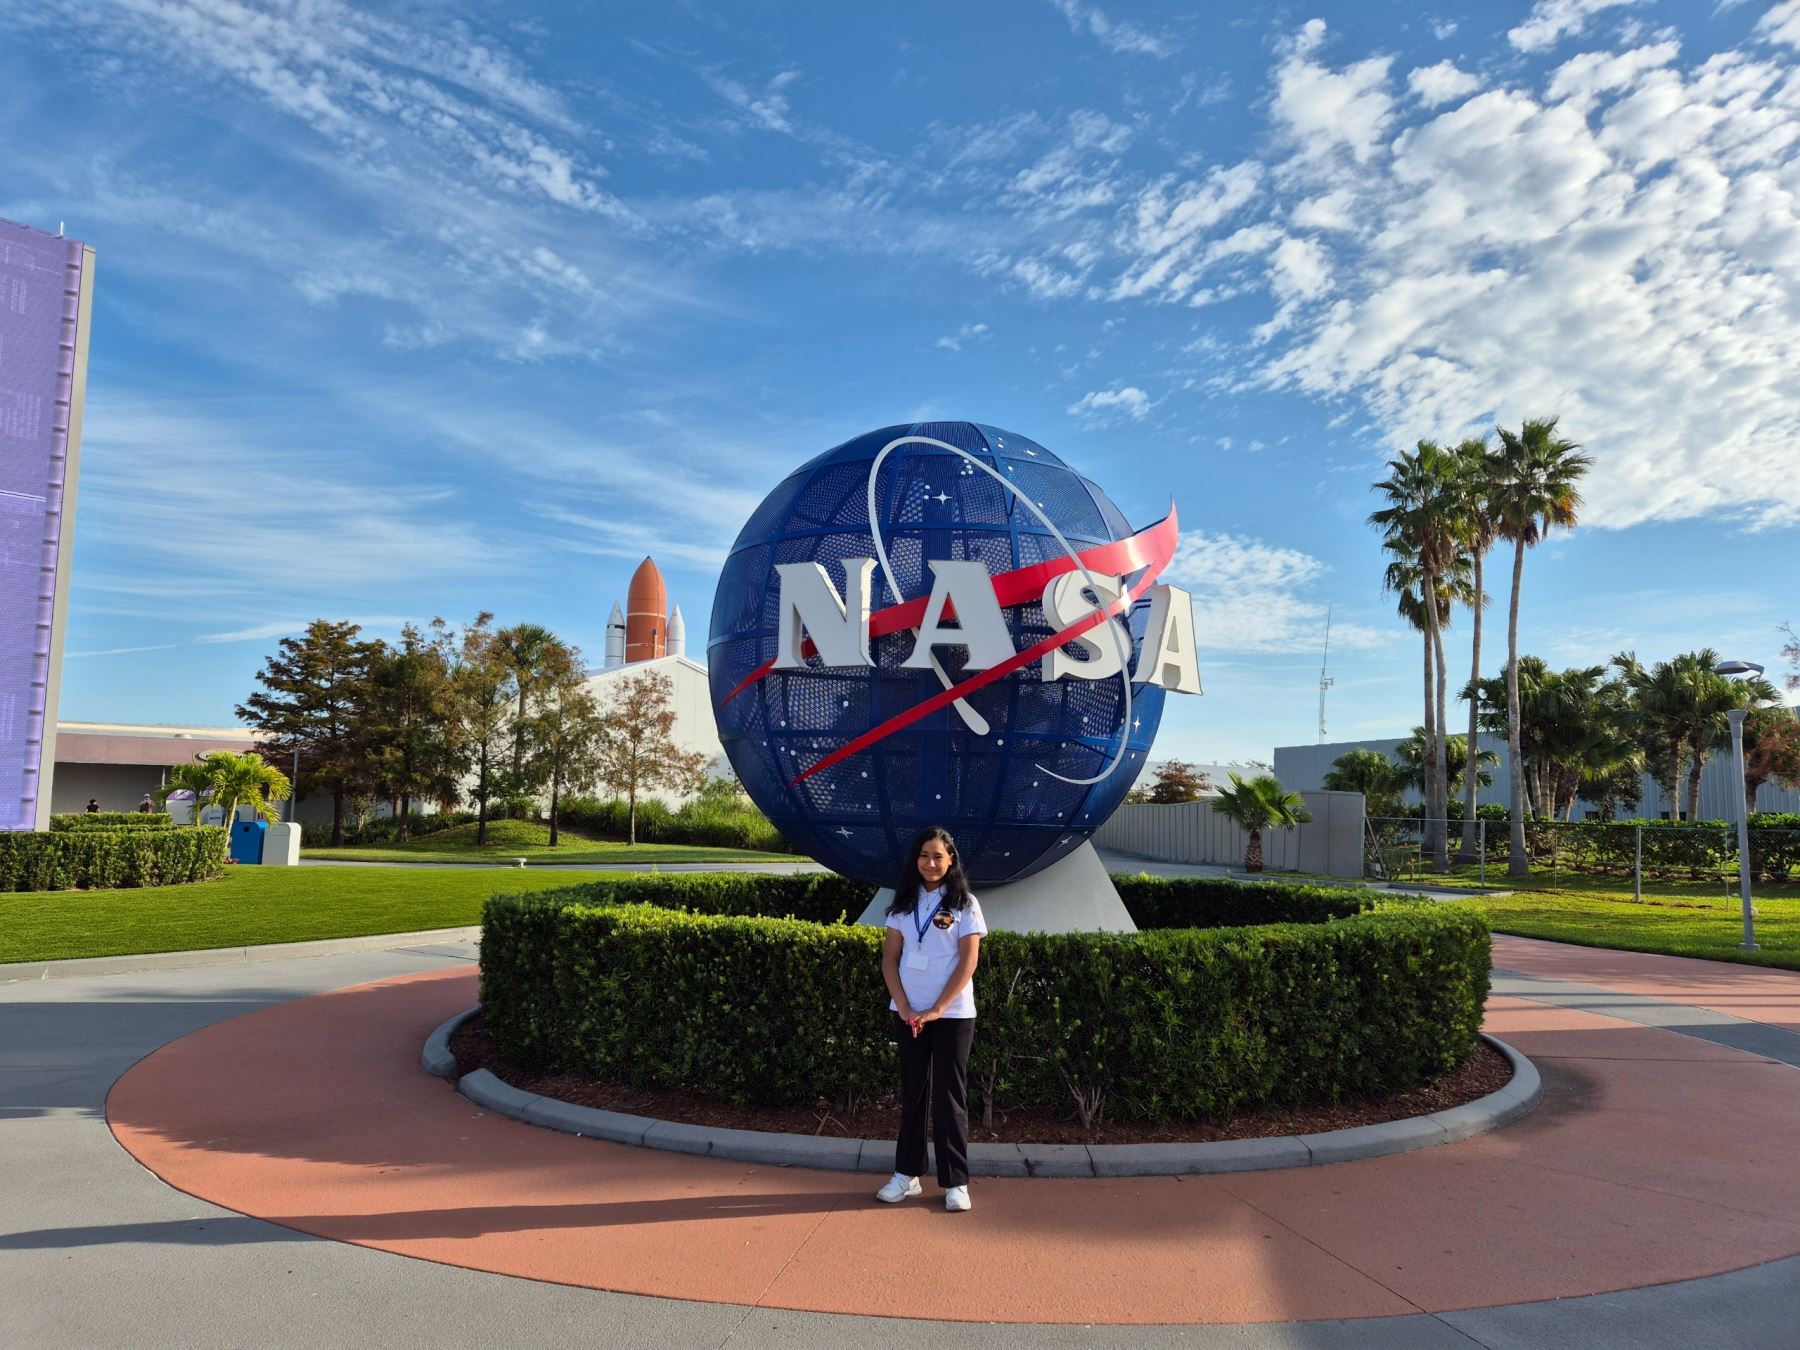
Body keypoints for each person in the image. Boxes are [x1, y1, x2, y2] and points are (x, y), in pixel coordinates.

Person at [876, 826, 986, 1213]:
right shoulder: (902, 904)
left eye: (938, 856)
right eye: (924, 855)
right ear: (915, 859)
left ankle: (956, 1182)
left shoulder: (965, 904)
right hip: (909, 1014)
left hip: (952, 1014)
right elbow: (890, 959)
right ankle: (906, 1175)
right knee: (913, 1093)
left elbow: (968, 961)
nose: (930, 862)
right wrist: (905, 1007)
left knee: (949, 1095)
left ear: (951, 859)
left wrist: (937, 1008)